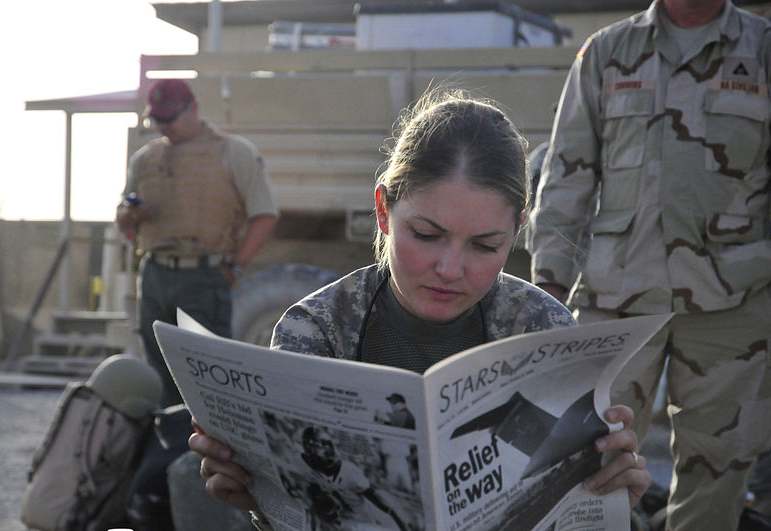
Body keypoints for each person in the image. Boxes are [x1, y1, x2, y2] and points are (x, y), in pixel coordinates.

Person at [189, 89, 652, 529]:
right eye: (427, 236)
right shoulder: (315, 330)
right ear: (383, 211)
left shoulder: (543, 329)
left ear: (517, 233)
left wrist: (609, 497)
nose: (450, 269)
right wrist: (257, 498)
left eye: (485, 246)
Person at [527, 1, 771, 529]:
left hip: (733, 304)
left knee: (720, 470)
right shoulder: (608, 52)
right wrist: (544, 297)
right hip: (616, 300)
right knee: (589, 461)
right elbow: (566, 177)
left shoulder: (763, 49)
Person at [116, 79, 278, 407]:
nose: (163, 127)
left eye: (169, 118)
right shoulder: (145, 158)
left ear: (192, 109)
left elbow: (265, 215)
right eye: (156, 120)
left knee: (210, 373)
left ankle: (210, 453)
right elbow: (123, 220)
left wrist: (233, 268)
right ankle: (170, 447)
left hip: (204, 277)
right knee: (159, 372)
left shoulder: (233, 151)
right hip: (155, 274)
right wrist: (131, 215)